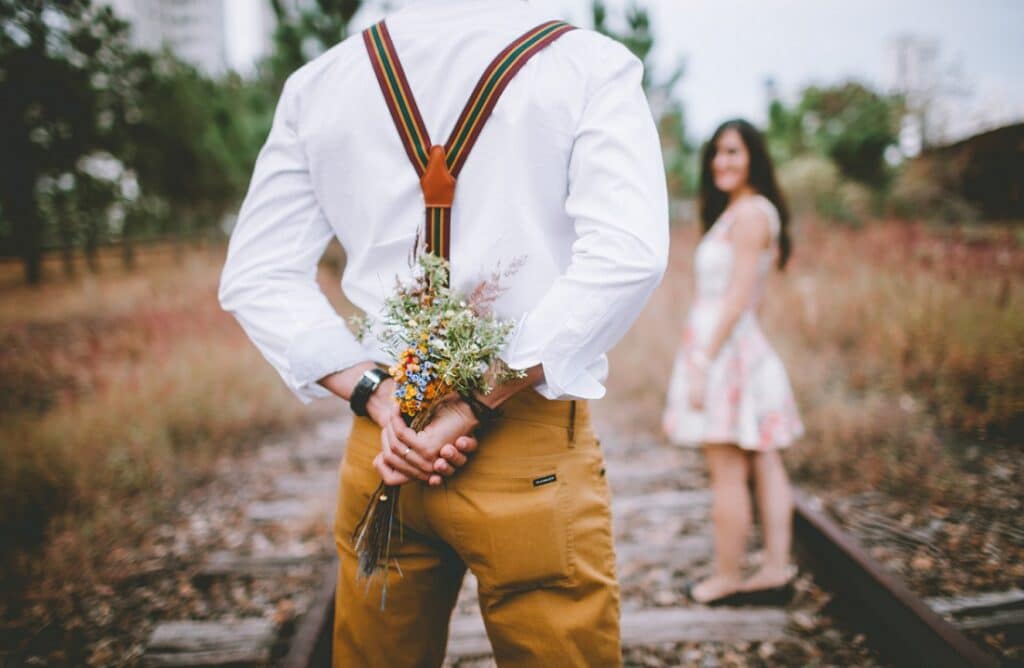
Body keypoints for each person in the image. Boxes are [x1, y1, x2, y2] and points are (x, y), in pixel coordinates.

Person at [218, 0, 669, 664]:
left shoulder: (321, 83)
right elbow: (628, 254)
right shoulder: (586, 64)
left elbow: (257, 273)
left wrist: (376, 393)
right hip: (527, 446)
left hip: (385, 446)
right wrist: (466, 403)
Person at [662, 119, 804, 606]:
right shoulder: (745, 212)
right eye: (716, 154)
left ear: (753, 158)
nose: (721, 162)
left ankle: (728, 577)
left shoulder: (749, 216)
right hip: (737, 347)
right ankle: (773, 569)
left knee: (727, 468)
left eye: (732, 152)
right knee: (764, 459)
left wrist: (703, 360)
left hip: (724, 353)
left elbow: (740, 295)